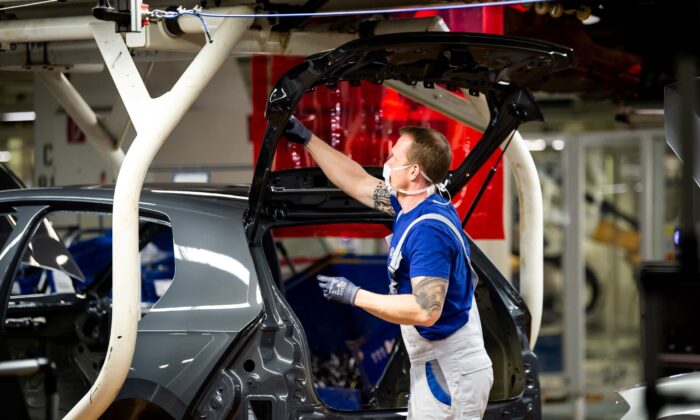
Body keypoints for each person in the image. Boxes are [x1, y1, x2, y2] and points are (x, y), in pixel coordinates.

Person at [283, 116, 493, 419]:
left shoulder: (427, 232)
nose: (387, 161)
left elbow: (425, 310)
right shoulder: (413, 204)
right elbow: (356, 181)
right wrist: (307, 139)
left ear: (413, 172)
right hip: (439, 363)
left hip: (453, 370)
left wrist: (354, 295)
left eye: (394, 156)